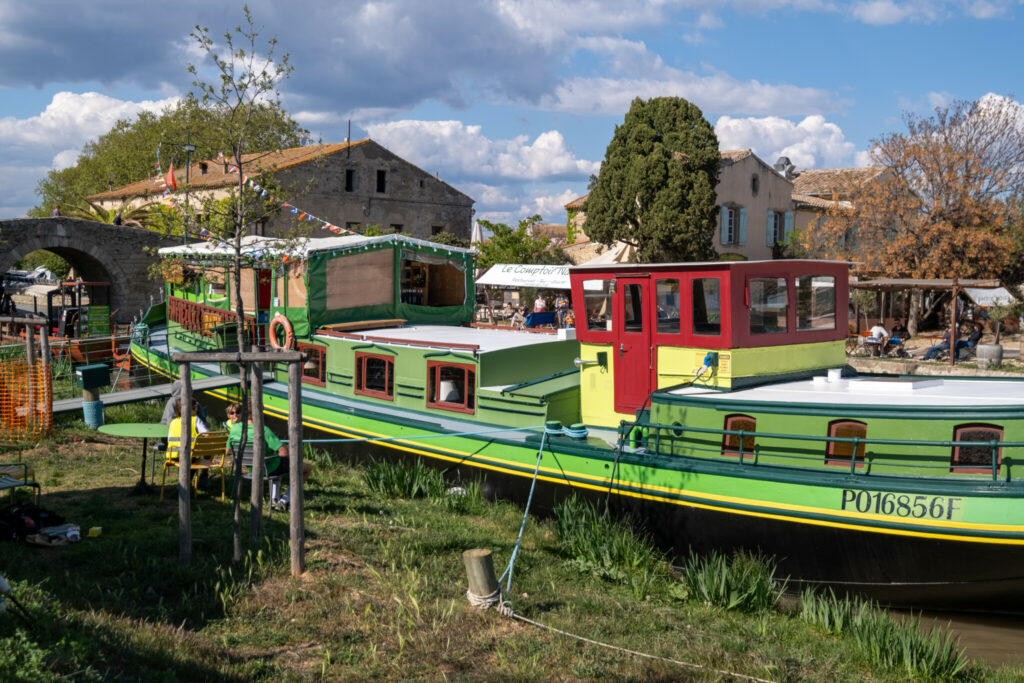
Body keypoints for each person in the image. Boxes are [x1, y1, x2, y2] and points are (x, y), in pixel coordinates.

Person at [226, 403, 311, 511]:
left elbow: (228, 451)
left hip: (251, 467)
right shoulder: (263, 430)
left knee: (277, 463)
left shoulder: (234, 429)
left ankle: (275, 499)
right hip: (268, 467)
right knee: (306, 468)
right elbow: (284, 452)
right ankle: (285, 501)